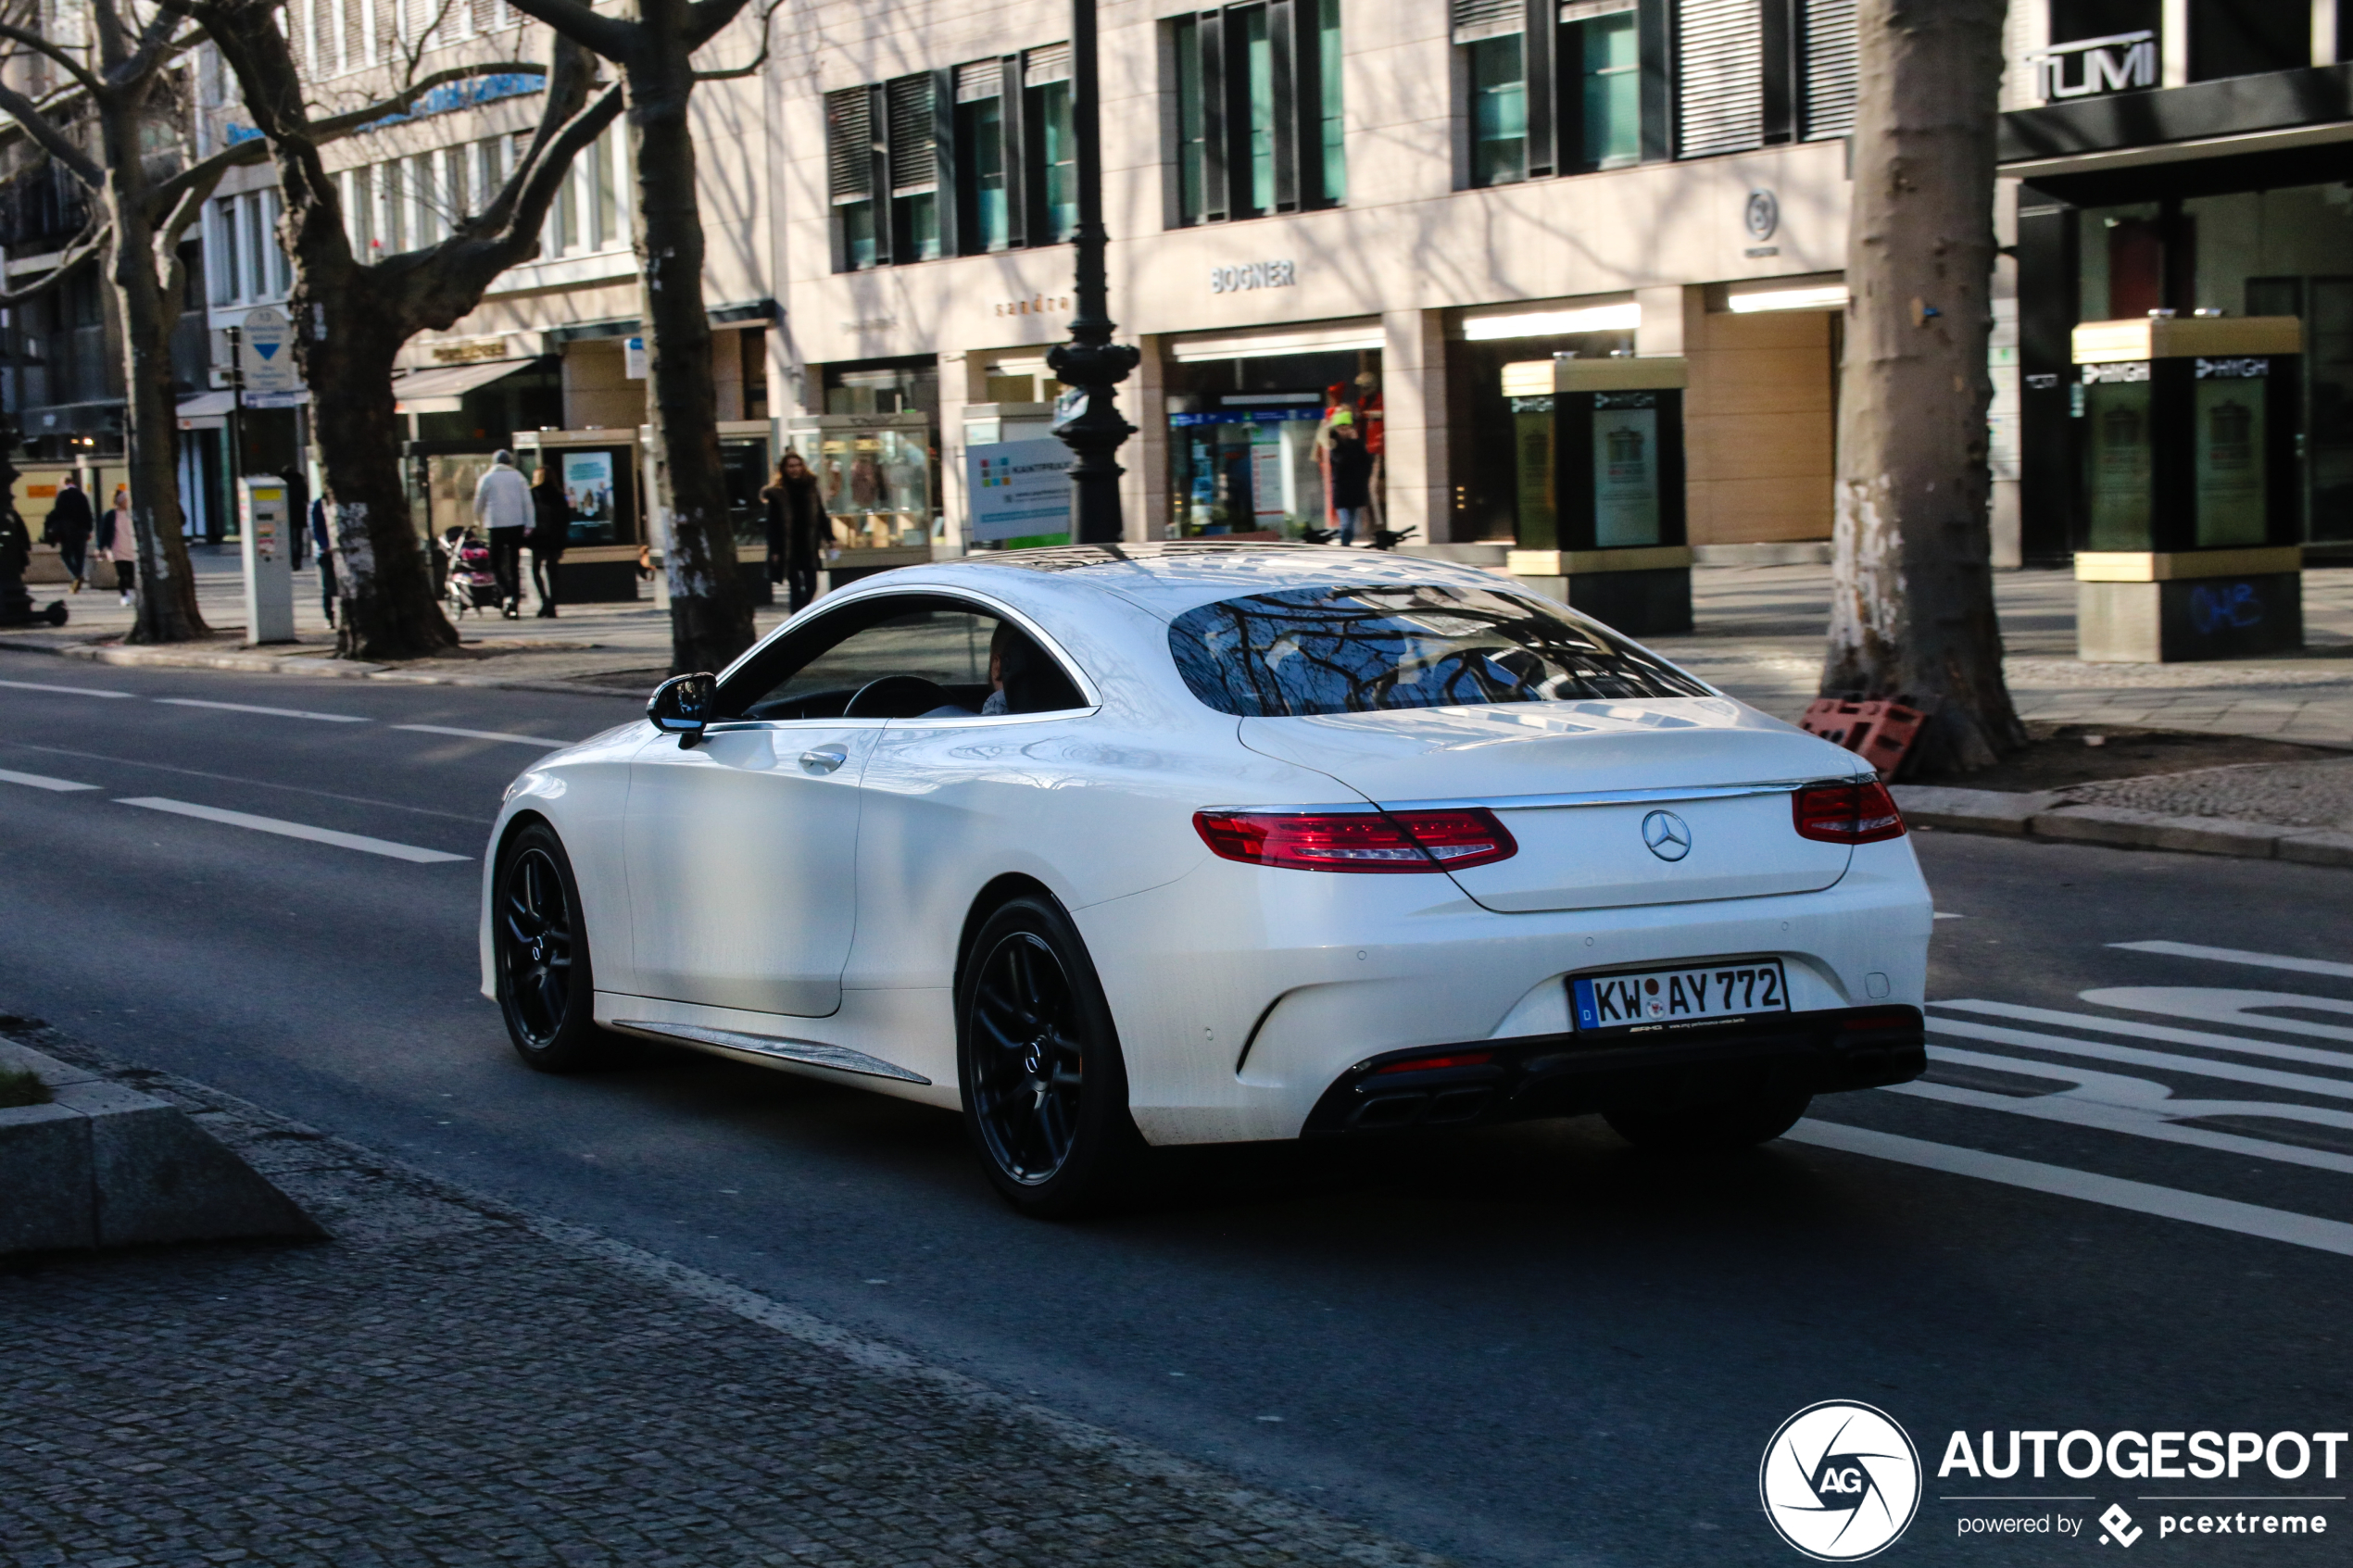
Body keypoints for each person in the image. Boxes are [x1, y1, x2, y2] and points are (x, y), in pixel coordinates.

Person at [470, 449, 533, 618]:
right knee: (514, 564)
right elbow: (528, 502)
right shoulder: (519, 477)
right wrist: (530, 524)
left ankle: (506, 592)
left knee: (495, 563)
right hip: (516, 524)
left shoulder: (487, 478)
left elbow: (479, 501)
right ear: (509, 463)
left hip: (495, 524)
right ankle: (515, 600)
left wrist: (477, 521)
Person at [761, 450, 824, 613]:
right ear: (784, 469)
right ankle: (797, 617)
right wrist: (774, 549)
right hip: (788, 546)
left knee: (812, 585)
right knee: (795, 586)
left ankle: (799, 614)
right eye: (791, 466)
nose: (794, 469)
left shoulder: (810, 488)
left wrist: (830, 536)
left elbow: (821, 514)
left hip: (808, 544)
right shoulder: (778, 493)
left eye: (797, 465)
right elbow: (772, 524)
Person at [43, 473, 94, 594]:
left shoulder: (63, 495)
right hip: (82, 531)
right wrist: (89, 529)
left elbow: (57, 512)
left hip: (68, 532)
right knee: (79, 556)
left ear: (63, 483)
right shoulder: (82, 495)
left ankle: (76, 575)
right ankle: (78, 577)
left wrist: (48, 524)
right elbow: (88, 513)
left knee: (65, 554)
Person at [529, 465, 567, 617]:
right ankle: (552, 603)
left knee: (536, 568)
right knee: (553, 570)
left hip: (538, 536)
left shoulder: (533, 494)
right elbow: (565, 516)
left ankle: (544, 600)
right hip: (555, 536)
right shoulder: (558, 494)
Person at [1328, 421, 1375, 546]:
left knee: (1352, 524)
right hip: (1342, 490)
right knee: (1346, 524)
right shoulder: (1334, 446)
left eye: (1347, 428)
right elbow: (1340, 462)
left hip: (1356, 489)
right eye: (1341, 429)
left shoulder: (1358, 445)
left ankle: (1346, 545)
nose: (1345, 432)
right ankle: (1344, 546)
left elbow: (1367, 463)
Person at [95, 484, 137, 606]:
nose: (126, 503)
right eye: (124, 500)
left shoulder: (131, 514)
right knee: (122, 574)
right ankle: (124, 595)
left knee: (132, 574)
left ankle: (131, 592)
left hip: (131, 548)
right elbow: (104, 532)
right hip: (117, 548)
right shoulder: (111, 515)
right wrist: (100, 548)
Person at [308, 495, 336, 629]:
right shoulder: (317, 504)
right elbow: (315, 528)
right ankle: (329, 616)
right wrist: (325, 546)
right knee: (328, 586)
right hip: (326, 553)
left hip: (338, 549)